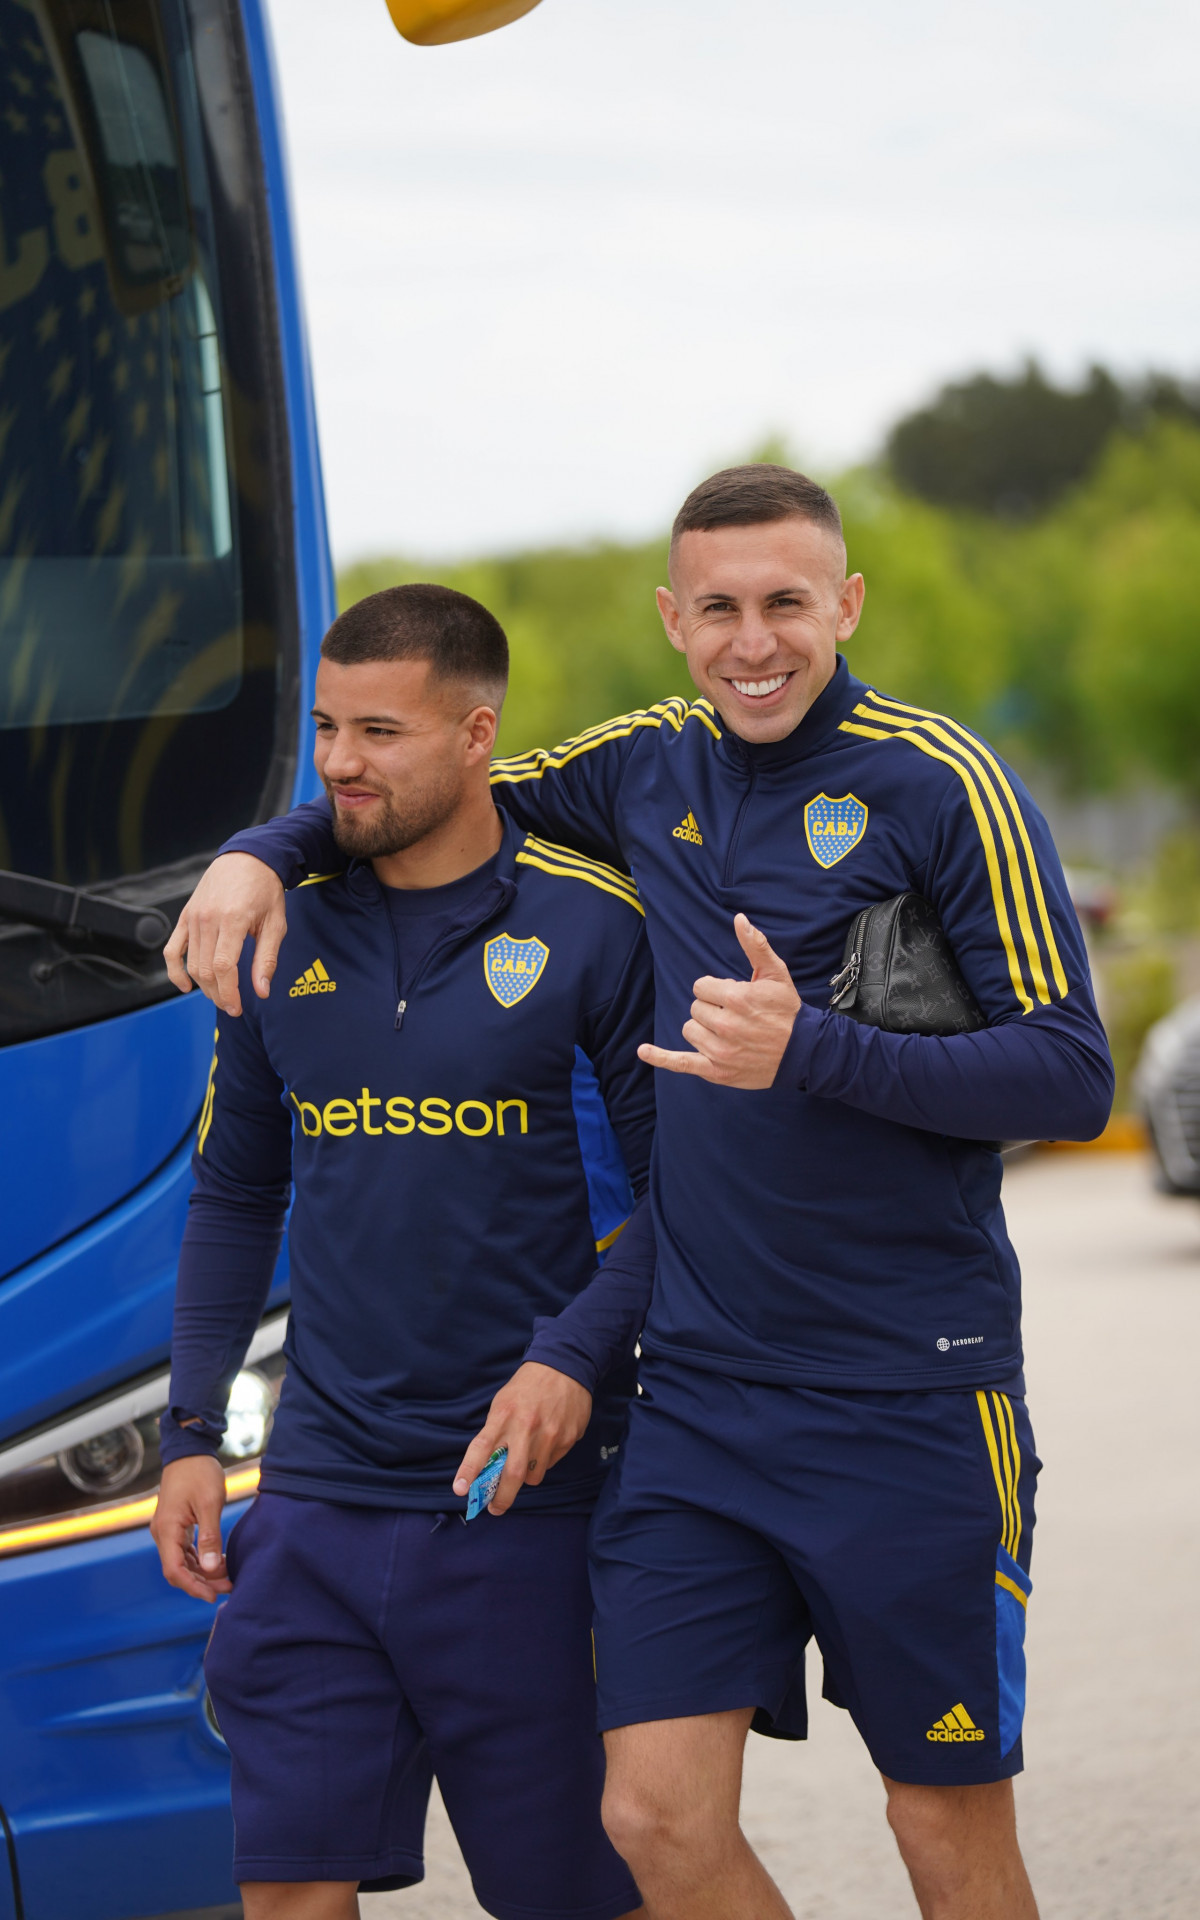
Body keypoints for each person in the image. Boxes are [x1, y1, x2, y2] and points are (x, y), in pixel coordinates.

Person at [165, 468, 1114, 1920]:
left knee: (941, 1826)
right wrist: (255, 854)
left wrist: (818, 1046)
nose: (754, 643)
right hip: (696, 1409)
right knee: (654, 1821)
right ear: (673, 620)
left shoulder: (944, 784)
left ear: (845, 605)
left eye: (786, 603)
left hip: (912, 1396)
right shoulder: (639, 765)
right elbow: (424, 791)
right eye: (719, 609)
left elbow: (1069, 1077)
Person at [151, 583, 653, 1920]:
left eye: (379, 730)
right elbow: (235, 1196)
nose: (339, 764)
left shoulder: (598, 929)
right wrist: (191, 1432)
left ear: (479, 734)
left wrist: (575, 1360)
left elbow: (689, 1207)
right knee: (290, 1890)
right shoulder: (282, 927)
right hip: (314, 1505)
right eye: (326, 728)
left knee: (574, 1897)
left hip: (529, 1515)